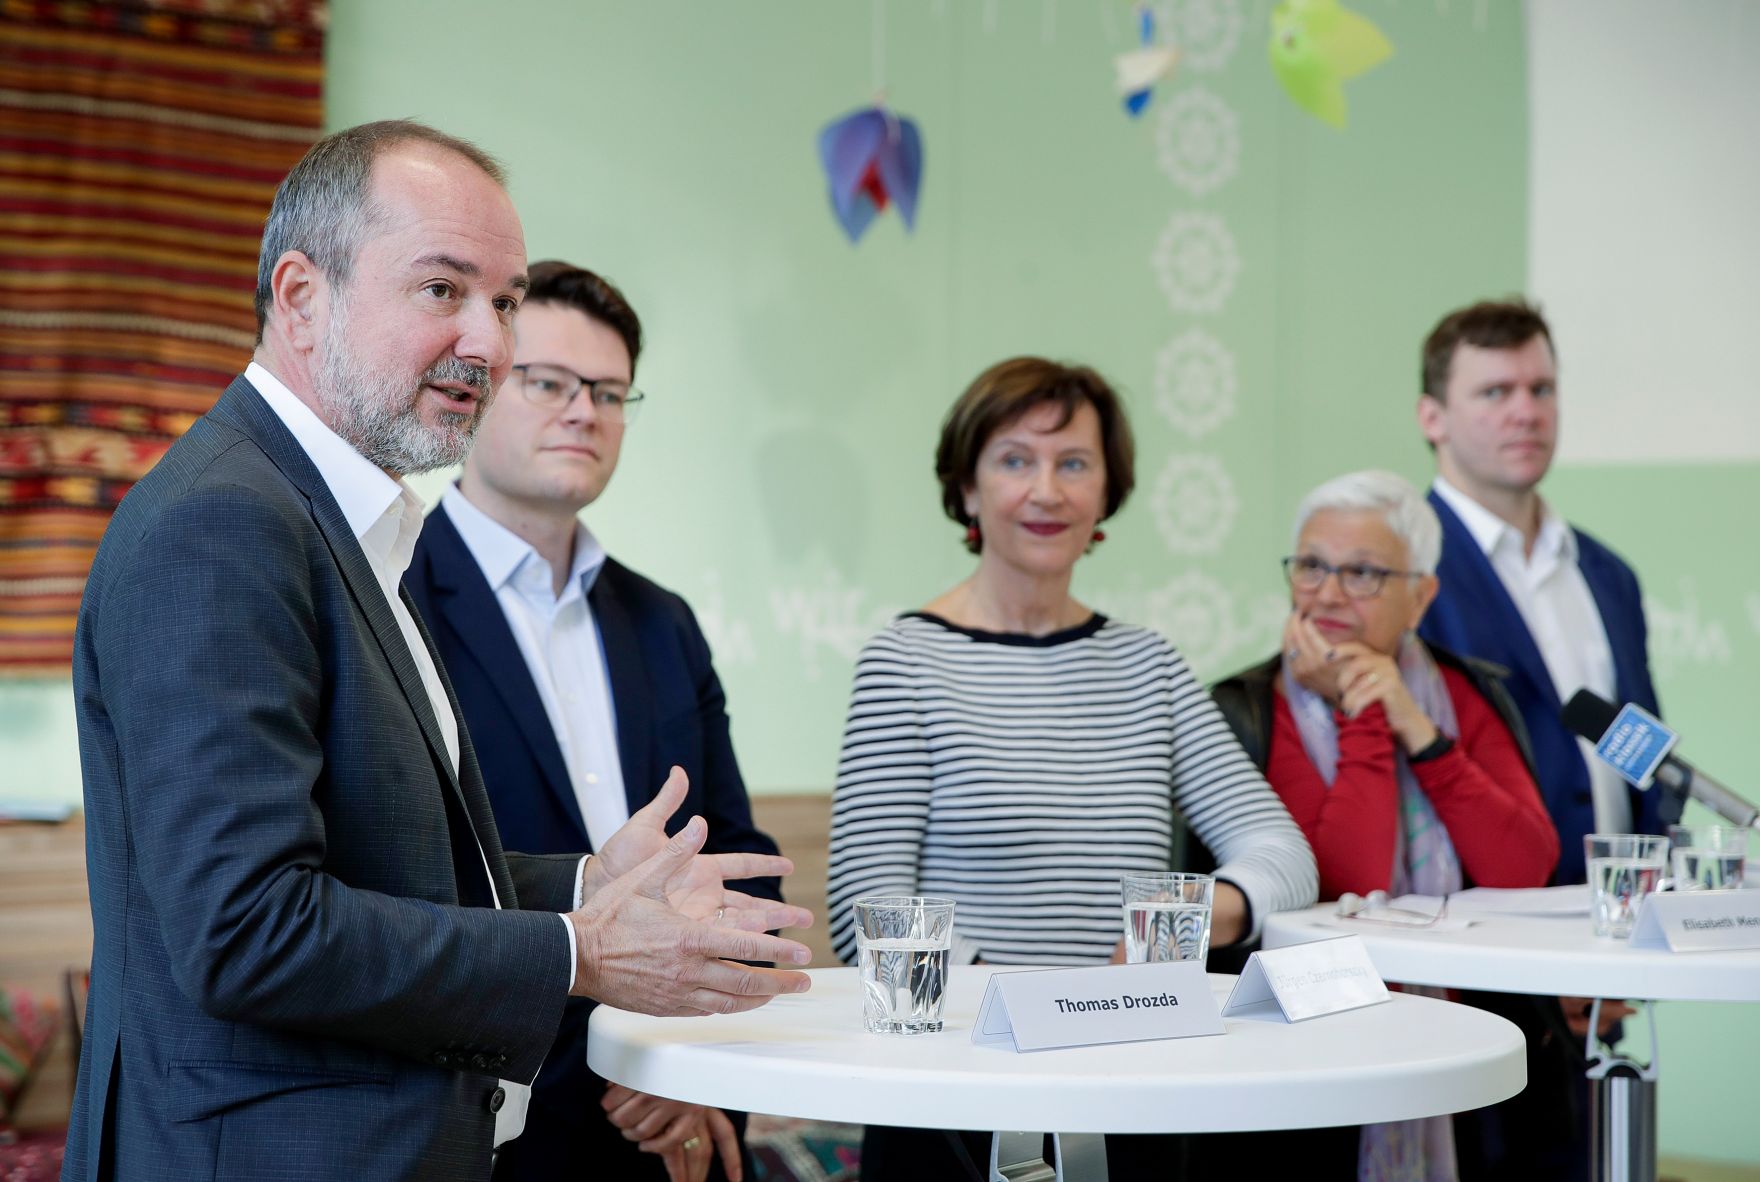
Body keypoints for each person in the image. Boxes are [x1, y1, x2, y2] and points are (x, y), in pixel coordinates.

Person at [67, 120, 812, 1181]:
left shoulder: (345, 522)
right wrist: (585, 949)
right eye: (440, 290)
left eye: (503, 301)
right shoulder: (225, 523)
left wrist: (589, 882)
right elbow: (249, 931)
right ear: (299, 298)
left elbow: (387, 869)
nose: (489, 344)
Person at [827, 356, 1317, 1180]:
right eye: (1015, 459)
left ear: (1105, 495)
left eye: (1074, 463)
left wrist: (1201, 920)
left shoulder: (1149, 666)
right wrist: (1034, 1015)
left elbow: (1282, 852)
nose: (1046, 489)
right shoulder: (905, 660)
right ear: (969, 490)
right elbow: (863, 913)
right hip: (953, 1098)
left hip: (1130, 1089)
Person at [406, 260, 780, 1182]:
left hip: (662, 1113)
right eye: (550, 383)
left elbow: (734, 854)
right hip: (469, 1114)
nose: (584, 411)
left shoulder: (663, 623)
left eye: (610, 392)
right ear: (480, 387)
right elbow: (407, 884)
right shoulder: (394, 593)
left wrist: (690, 1065)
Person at [1211, 469, 1561, 1180]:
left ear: (1421, 595)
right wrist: (1366, 716)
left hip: (1466, 1046)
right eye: (1311, 566)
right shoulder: (1242, 709)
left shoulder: (1465, 692)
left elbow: (1524, 865)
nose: (1329, 593)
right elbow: (1346, 891)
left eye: (1363, 573)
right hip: (1296, 1056)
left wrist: (1420, 731)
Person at [1414, 299, 1663, 883]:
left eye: (1542, 389)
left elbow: (1638, 748)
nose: (1526, 412)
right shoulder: (1403, 572)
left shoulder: (1608, 573)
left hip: (1619, 921)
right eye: (1495, 393)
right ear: (1433, 418)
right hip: (1483, 921)